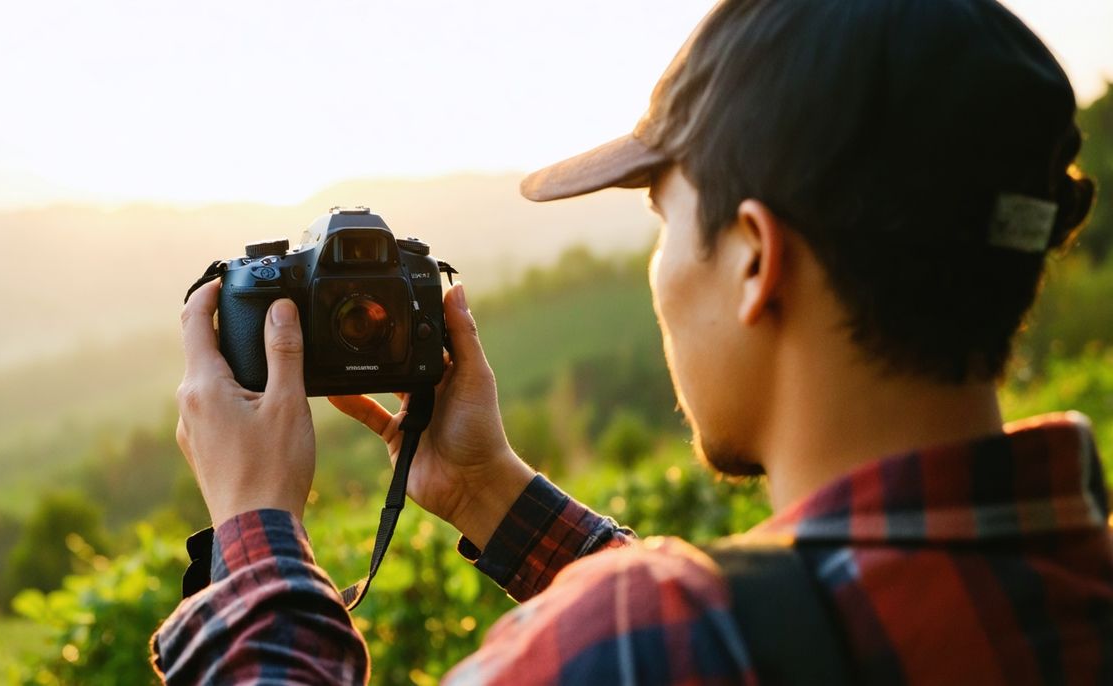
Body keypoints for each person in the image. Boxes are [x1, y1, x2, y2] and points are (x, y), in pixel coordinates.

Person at [153, 0, 1112, 683]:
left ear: (754, 260)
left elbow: (694, 637)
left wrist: (255, 531)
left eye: (663, 216)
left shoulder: (629, 645)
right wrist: (487, 491)